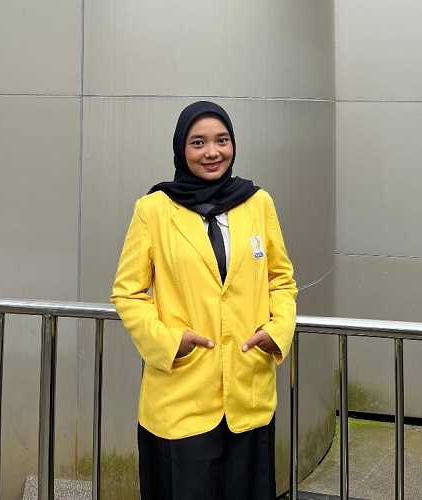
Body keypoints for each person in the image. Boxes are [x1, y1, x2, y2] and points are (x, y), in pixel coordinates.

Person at [111, 101, 297, 500]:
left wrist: (278, 330)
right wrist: (168, 343)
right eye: (198, 142)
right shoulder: (153, 210)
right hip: (182, 396)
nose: (212, 152)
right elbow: (128, 291)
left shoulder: (258, 202)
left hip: (248, 392)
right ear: (181, 148)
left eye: (222, 140)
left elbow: (281, 280)